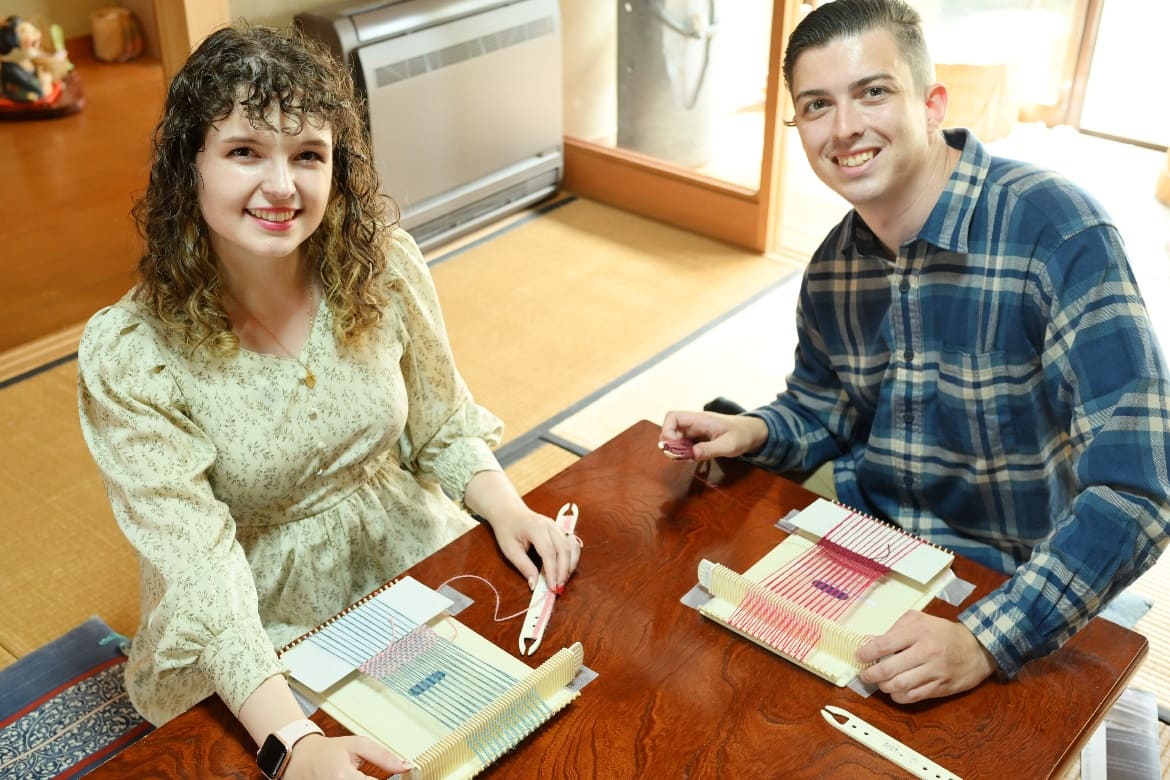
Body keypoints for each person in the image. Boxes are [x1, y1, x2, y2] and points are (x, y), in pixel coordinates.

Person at [77, 23, 579, 779]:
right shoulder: (134, 356)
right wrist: (294, 743)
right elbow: (200, 569)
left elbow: (440, 423)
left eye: (308, 155)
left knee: (533, 733)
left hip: (409, 557)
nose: (282, 187)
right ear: (192, 166)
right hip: (250, 622)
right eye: (246, 151)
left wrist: (509, 510)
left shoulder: (383, 269)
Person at [662, 0, 1170, 704]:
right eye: (816, 105)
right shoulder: (835, 265)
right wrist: (757, 429)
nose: (845, 128)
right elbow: (825, 405)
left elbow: (1138, 486)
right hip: (865, 542)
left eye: (873, 91)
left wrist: (987, 640)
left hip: (1011, 575)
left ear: (933, 104)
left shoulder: (1058, 230)